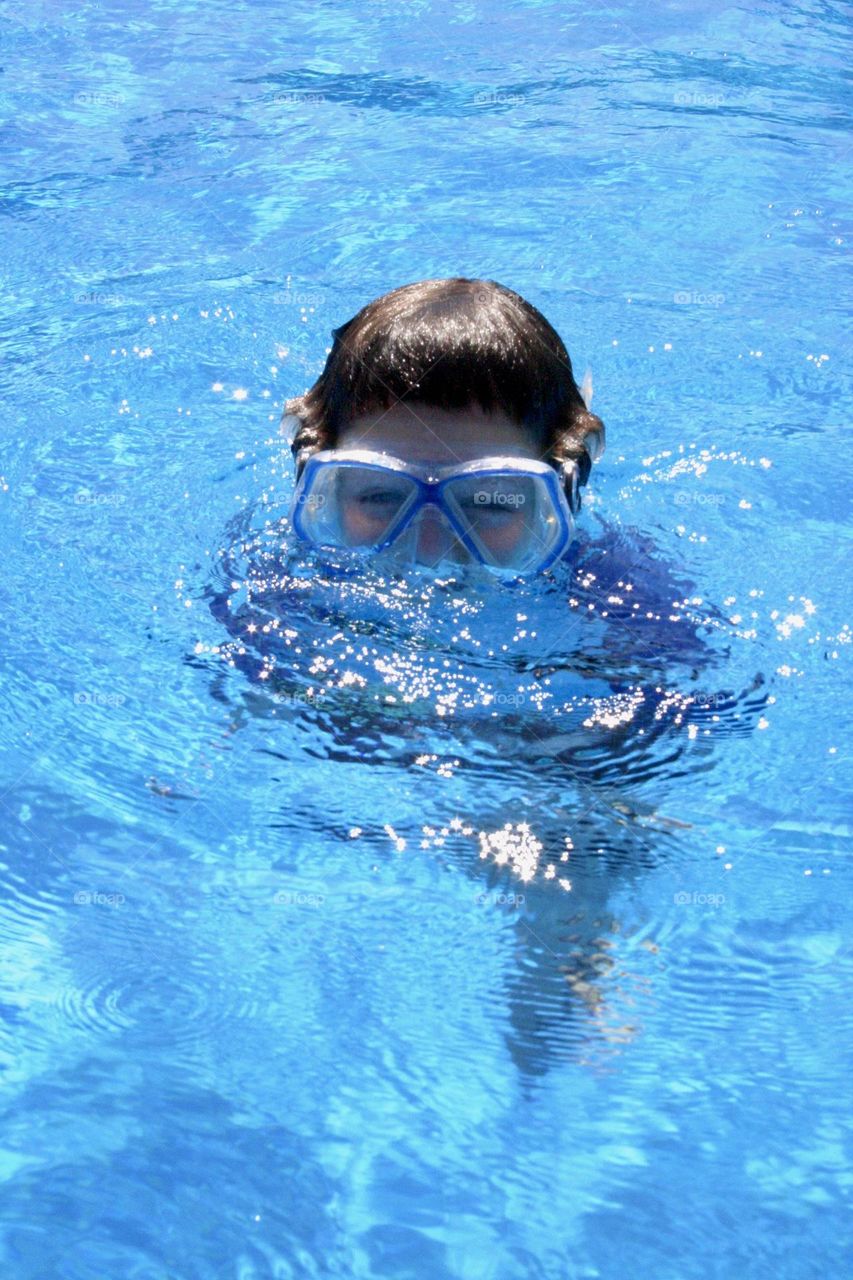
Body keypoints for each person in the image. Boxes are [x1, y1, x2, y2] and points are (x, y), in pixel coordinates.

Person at [281, 277, 606, 578]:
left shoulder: (614, 612)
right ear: (322, 488)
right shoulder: (273, 593)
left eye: (487, 503)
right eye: (382, 497)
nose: (430, 559)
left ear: (562, 491)